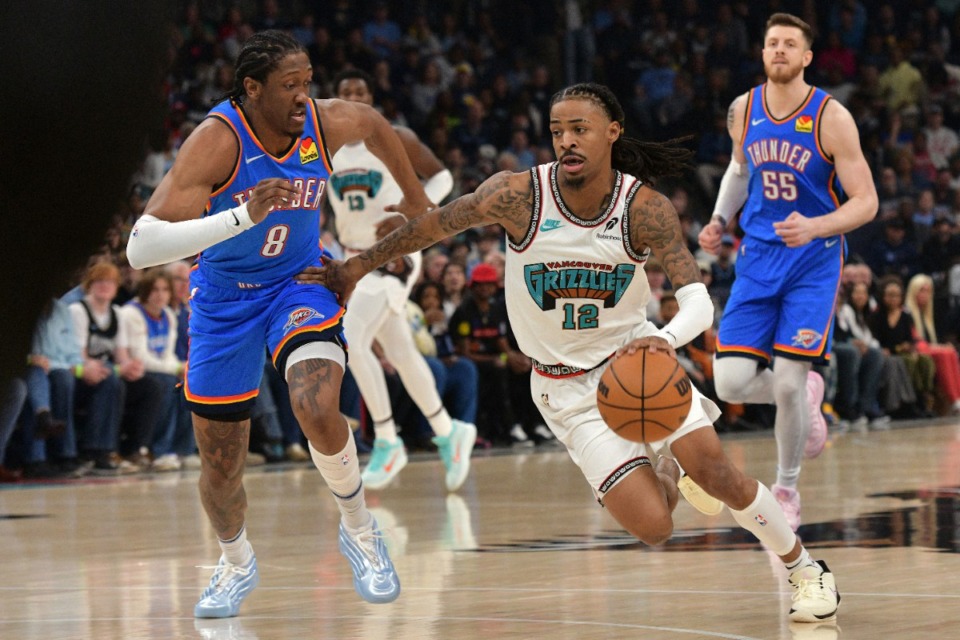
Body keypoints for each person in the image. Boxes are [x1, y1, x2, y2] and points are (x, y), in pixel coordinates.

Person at [302, 81, 841, 624]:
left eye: (580, 129)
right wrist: (354, 267)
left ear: (612, 132)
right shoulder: (517, 195)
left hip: (638, 363)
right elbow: (434, 227)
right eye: (558, 131)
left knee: (720, 472)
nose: (567, 141)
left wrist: (666, 339)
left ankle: (804, 569)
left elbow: (699, 304)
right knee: (656, 527)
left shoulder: (644, 209)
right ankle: (671, 470)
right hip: (564, 389)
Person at [126, 31, 436, 617]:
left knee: (316, 403)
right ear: (252, 89)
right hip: (222, 302)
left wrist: (416, 198)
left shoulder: (323, 124)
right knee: (221, 469)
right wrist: (242, 215)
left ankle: (362, 532)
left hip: (300, 284)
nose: (303, 96)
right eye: (290, 86)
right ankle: (235, 562)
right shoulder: (218, 141)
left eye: (307, 83)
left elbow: (372, 123)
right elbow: (142, 248)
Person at [697, 13, 879, 531]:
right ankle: (806, 398)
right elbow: (738, 171)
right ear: (762, 53)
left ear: (806, 57)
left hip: (813, 261)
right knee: (729, 382)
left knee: (788, 381)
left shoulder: (831, 117)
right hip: (757, 257)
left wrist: (819, 225)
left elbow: (866, 202)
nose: (778, 50)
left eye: (789, 44)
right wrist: (717, 219)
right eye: (771, 42)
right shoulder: (743, 109)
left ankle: (787, 488)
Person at [328, 69, 476, 491]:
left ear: (371, 97)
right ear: (336, 99)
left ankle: (388, 440)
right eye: (345, 92)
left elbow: (441, 175)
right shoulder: (328, 147)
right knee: (400, 349)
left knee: (349, 338)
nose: (354, 97)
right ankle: (448, 430)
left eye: (360, 92)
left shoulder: (394, 137)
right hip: (352, 254)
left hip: (395, 253)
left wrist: (410, 210)